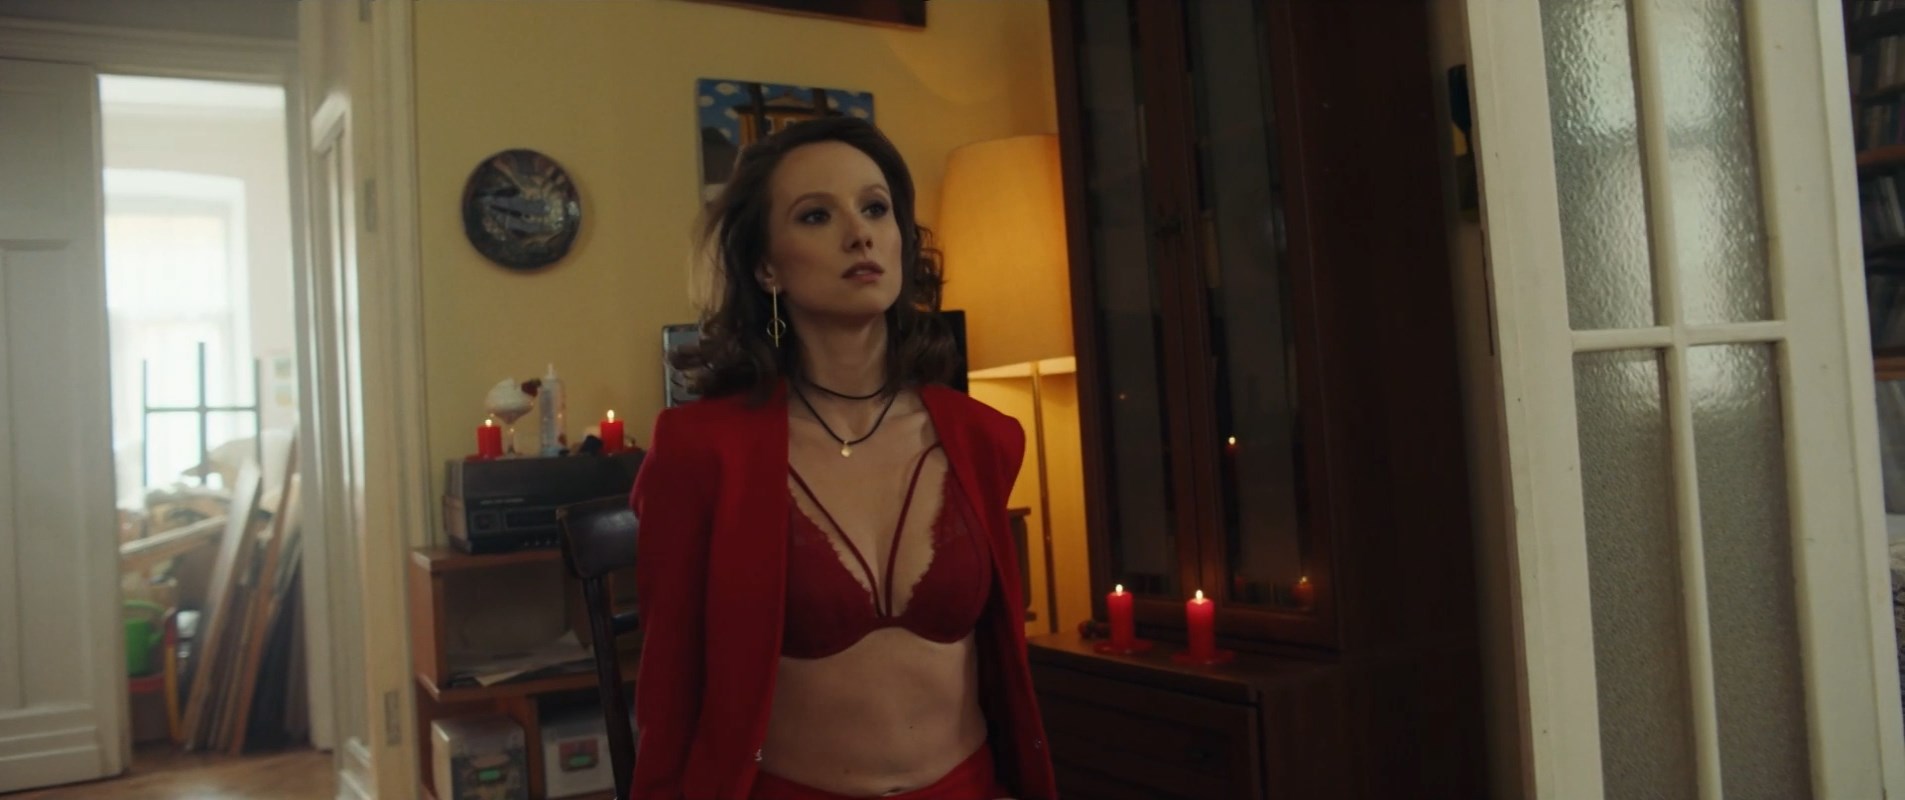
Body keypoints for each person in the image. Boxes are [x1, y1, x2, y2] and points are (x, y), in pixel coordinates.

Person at [628, 115, 1056, 800]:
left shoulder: (984, 438)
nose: (859, 234)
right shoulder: (700, 452)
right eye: (816, 215)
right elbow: (668, 693)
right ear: (766, 267)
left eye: (875, 208)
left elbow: (1005, 669)